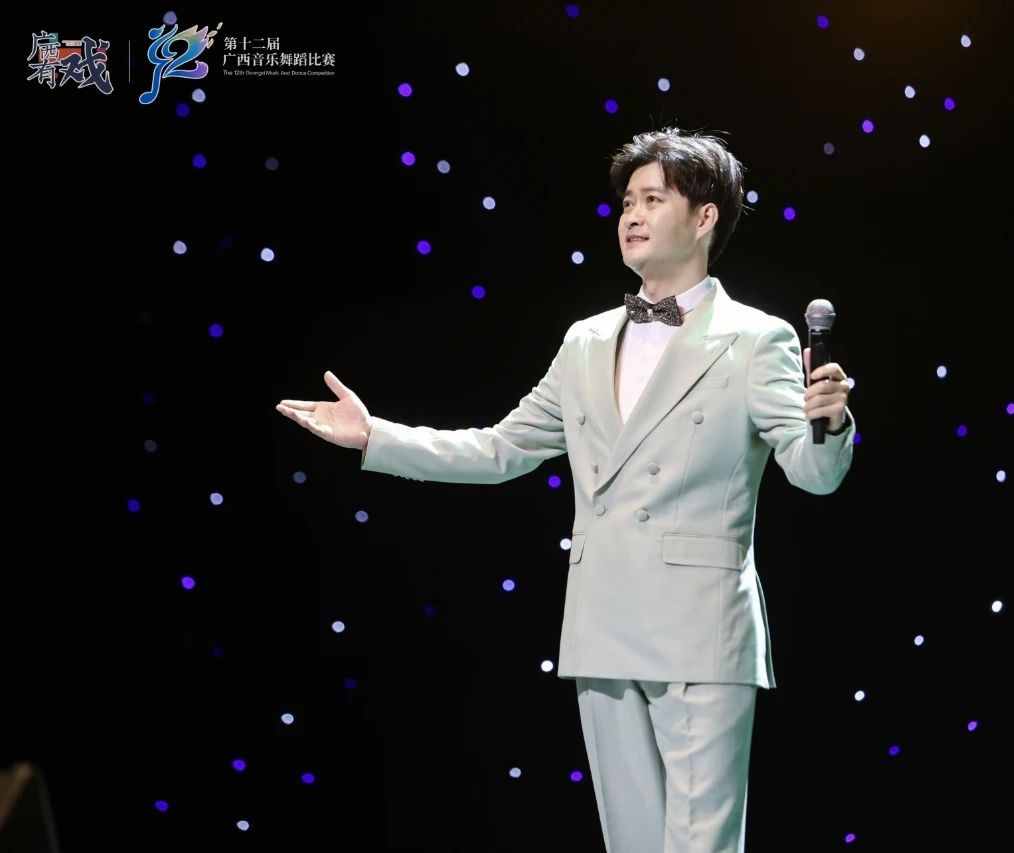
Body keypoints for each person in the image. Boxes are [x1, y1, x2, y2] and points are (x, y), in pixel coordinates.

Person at [276, 127, 854, 853]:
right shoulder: (586, 340)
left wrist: (831, 423)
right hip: (603, 620)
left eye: (654, 199)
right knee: (631, 841)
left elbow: (814, 473)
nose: (632, 215)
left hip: (700, 629)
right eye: (627, 201)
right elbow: (501, 449)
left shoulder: (755, 338)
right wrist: (377, 437)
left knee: (701, 843)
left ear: (705, 217)